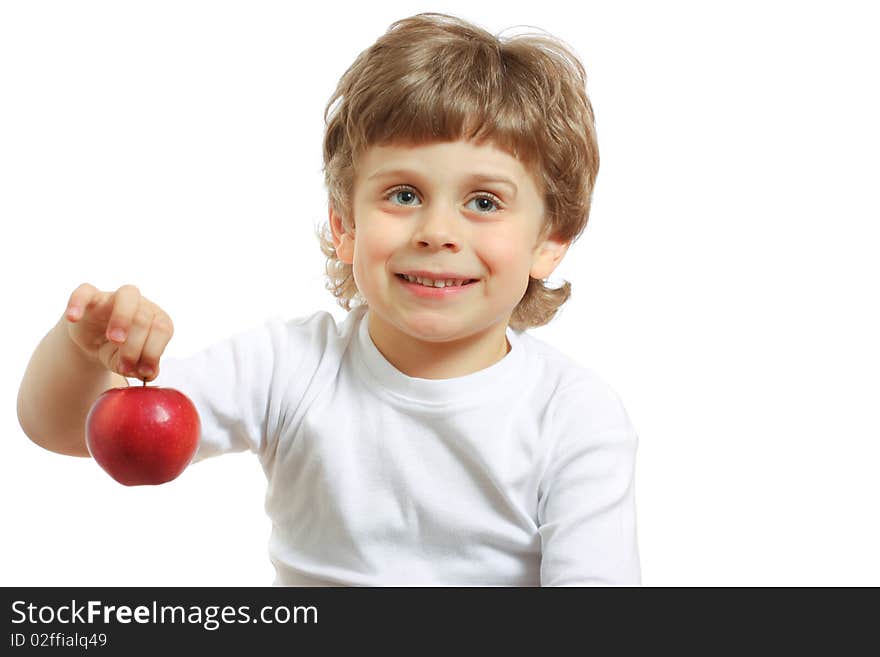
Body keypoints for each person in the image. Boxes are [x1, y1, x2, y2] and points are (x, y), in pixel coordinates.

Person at [17, 12, 640, 586]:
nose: (437, 231)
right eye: (402, 195)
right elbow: (70, 430)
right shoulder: (289, 367)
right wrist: (82, 348)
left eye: (484, 202)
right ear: (345, 226)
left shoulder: (574, 416)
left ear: (549, 243)